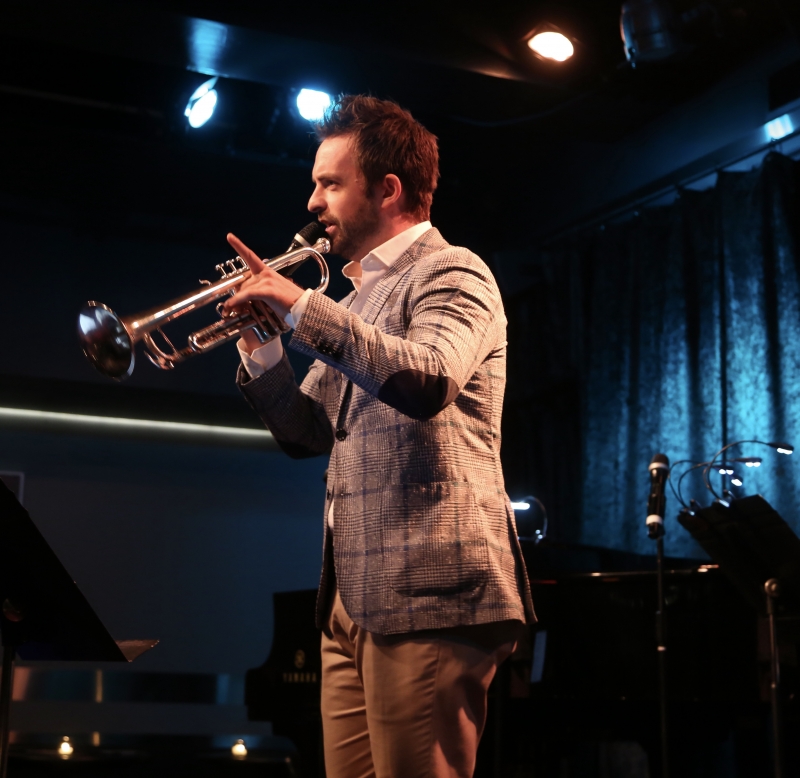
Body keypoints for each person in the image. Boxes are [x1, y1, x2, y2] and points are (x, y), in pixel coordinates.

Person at [224, 95, 535, 778]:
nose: (312, 202)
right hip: (353, 603)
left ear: (387, 189)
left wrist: (301, 307)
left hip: (430, 593)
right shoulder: (356, 301)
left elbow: (426, 378)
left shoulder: (456, 271)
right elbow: (307, 433)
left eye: (329, 182)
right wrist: (264, 349)